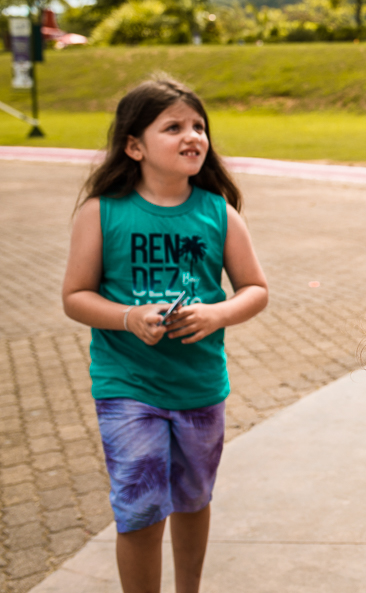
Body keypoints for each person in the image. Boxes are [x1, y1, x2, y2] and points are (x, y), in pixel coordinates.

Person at [61, 77, 269, 593]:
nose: (192, 136)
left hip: (199, 386)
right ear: (134, 146)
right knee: (140, 507)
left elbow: (255, 289)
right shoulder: (101, 212)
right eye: (173, 127)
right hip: (127, 385)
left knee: (194, 499)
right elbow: (75, 296)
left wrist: (217, 315)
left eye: (198, 126)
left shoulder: (218, 212)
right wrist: (129, 318)